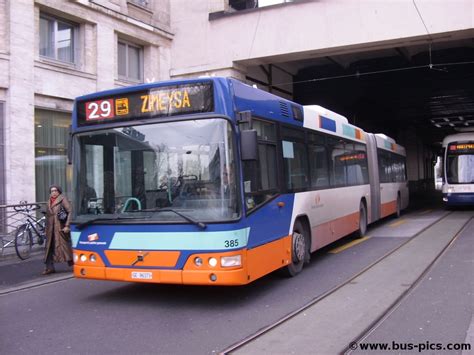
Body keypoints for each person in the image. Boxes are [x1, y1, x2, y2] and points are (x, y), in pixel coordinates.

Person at [42, 185, 73, 275]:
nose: (54, 192)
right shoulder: (49, 201)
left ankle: (73, 263)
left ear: (59, 191)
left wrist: (67, 225)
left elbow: (70, 211)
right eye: (52, 191)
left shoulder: (63, 199)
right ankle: (49, 267)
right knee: (49, 247)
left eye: (55, 190)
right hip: (50, 229)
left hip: (60, 227)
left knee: (64, 247)